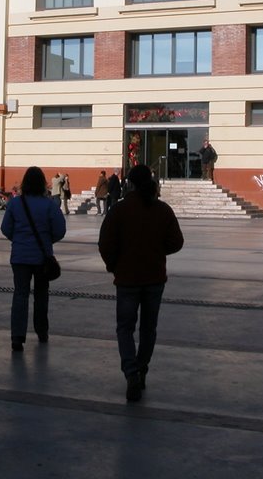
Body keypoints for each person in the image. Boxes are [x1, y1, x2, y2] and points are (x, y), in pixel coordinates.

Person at [98, 163, 184, 402]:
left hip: (127, 279)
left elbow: (105, 243)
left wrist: (113, 264)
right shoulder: (162, 210)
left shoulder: (119, 210)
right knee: (148, 329)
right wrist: (157, 251)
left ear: (131, 184)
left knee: (125, 328)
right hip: (154, 278)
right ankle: (141, 367)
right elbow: (177, 242)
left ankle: (131, 371)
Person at [1, 166, 66, 352]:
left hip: (20, 257)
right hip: (41, 257)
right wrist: (47, 240)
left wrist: (19, 239)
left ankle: (17, 336)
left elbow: (6, 228)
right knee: (41, 295)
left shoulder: (15, 203)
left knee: (20, 294)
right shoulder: (49, 205)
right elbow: (60, 230)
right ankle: (42, 331)